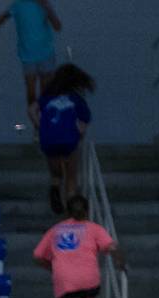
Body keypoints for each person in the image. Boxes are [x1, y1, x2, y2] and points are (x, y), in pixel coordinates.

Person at [0, 0, 62, 129]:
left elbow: (57, 26)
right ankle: (36, 126)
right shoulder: (17, 5)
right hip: (27, 56)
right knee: (31, 93)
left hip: (46, 54)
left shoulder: (44, 4)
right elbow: (0, 21)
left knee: (46, 92)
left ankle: (46, 126)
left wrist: (47, 8)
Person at [37, 64, 95, 214]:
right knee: (71, 177)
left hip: (48, 141)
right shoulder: (76, 99)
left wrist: (40, 127)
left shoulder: (46, 97)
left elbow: (32, 109)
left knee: (56, 173)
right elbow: (83, 124)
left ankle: (55, 188)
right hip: (68, 141)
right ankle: (72, 208)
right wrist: (79, 136)